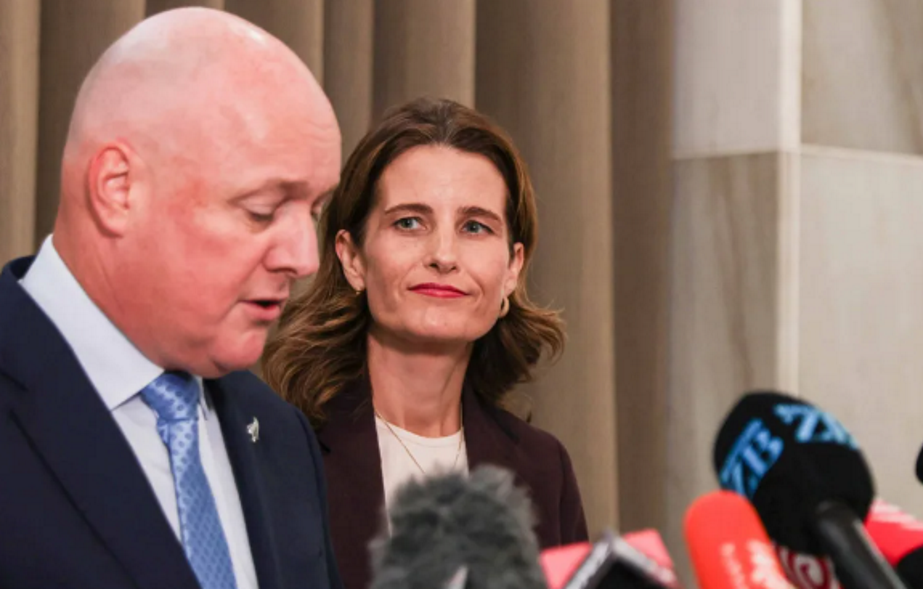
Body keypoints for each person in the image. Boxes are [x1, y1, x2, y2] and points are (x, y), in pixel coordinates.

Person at [0, 8, 344, 589]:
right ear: (118, 189)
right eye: (261, 210)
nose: (304, 258)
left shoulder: (281, 436)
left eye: (311, 211)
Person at [262, 97, 589, 589]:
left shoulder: (545, 469)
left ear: (512, 268)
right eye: (409, 222)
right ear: (353, 258)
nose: (443, 255)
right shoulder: (279, 453)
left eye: (474, 227)